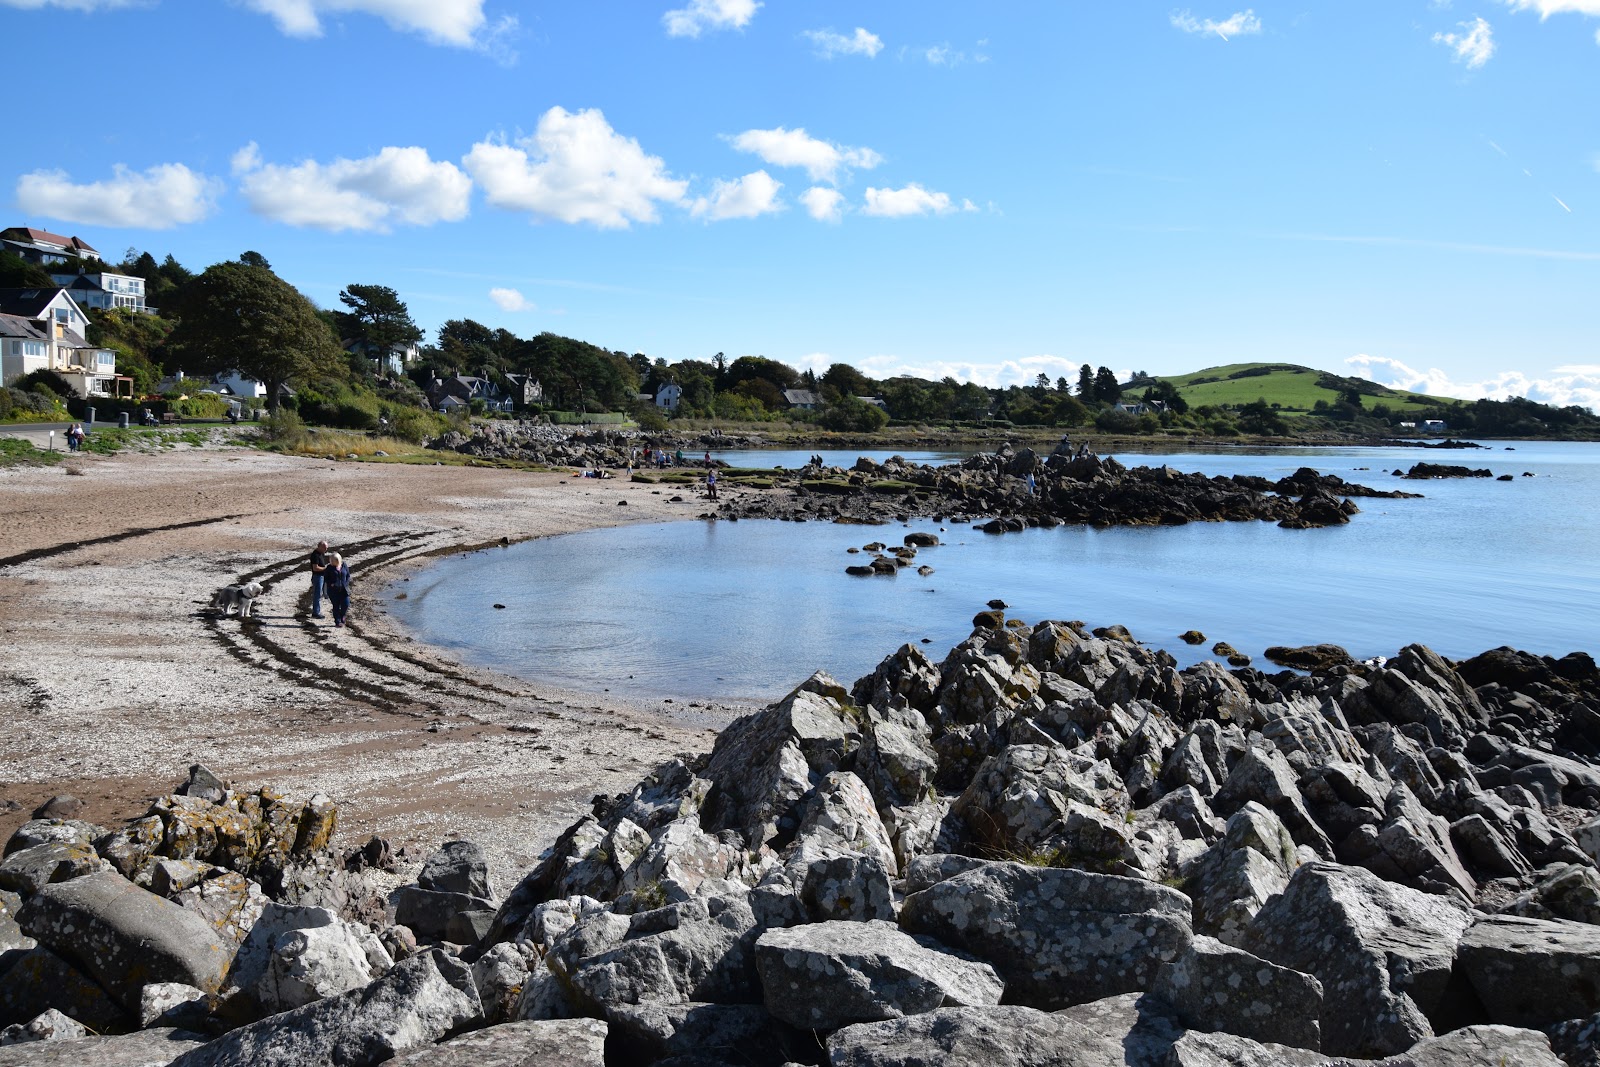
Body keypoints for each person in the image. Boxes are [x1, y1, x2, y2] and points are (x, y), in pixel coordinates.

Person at [324, 552, 351, 627]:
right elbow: (326, 578)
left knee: (346, 604)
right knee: (336, 606)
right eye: (331, 561)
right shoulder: (329, 568)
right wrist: (331, 584)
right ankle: (337, 621)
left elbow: (348, 575)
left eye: (333, 561)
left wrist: (346, 583)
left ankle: (342, 616)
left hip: (344, 589)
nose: (331, 562)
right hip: (333, 591)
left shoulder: (344, 565)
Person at [308, 540, 330, 619]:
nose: (326, 550)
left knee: (320, 594)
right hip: (317, 577)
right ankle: (316, 612)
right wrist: (325, 569)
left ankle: (317, 611)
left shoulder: (321, 554)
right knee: (317, 595)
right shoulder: (315, 555)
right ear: (320, 546)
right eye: (324, 548)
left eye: (326, 548)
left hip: (321, 576)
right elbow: (315, 568)